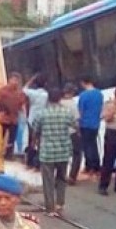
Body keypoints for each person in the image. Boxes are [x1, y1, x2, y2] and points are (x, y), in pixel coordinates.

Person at [35, 87, 75, 217]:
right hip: (63, 150)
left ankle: (50, 208)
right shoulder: (67, 112)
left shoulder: (42, 113)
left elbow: (36, 129)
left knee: (48, 180)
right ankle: (60, 204)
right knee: (62, 178)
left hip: (47, 152)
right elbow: (75, 126)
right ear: (60, 98)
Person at [0, 72, 26, 159]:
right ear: (9, 80)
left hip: (14, 118)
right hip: (3, 118)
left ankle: (9, 154)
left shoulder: (20, 93)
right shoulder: (2, 91)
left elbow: (22, 105)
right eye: (14, 80)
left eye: (17, 80)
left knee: (12, 138)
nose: (15, 82)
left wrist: (24, 114)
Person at [77, 76, 103, 177]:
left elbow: (80, 111)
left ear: (84, 83)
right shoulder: (99, 94)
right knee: (94, 144)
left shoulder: (83, 96)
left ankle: (90, 167)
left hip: (85, 123)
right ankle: (97, 166)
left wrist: (78, 124)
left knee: (87, 146)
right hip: (95, 123)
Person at [22, 73, 48, 169]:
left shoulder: (32, 93)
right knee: (41, 142)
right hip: (43, 120)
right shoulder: (47, 95)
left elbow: (24, 89)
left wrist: (31, 80)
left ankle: (30, 162)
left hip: (32, 120)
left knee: (31, 141)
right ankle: (39, 163)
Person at [61, 83, 81, 185]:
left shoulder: (58, 103)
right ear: (72, 92)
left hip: (60, 133)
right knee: (77, 154)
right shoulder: (72, 105)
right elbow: (76, 120)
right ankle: (72, 177)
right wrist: (79, 131)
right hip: (72, 133)